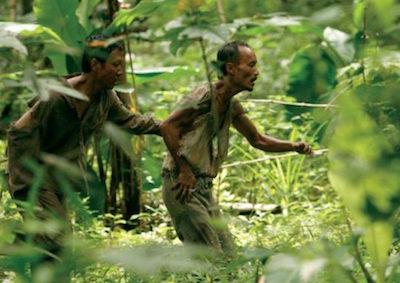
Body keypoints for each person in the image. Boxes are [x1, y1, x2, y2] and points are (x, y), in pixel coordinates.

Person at [6, 34, 161, 262]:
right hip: (32, 177)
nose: (120, 71)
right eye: (115, 65)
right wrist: (23, 181)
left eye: (122, 65)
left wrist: (164, 126)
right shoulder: (57, 96)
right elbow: (19, 130)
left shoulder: (105, 97)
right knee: (57, 238)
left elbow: (129, 121)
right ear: (95, 65)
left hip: (58, 178)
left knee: (54, 246)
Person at [160, 41, 313, 253]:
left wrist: (294, 146)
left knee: (230, 258)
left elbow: (258, 139)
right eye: (250, 65)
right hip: (182, 185)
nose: (256, 72)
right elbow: (167, 126)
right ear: (231, 68)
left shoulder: (231, 104)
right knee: (210, 259)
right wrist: (184, 170)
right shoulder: (204, 96)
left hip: (203, 188)